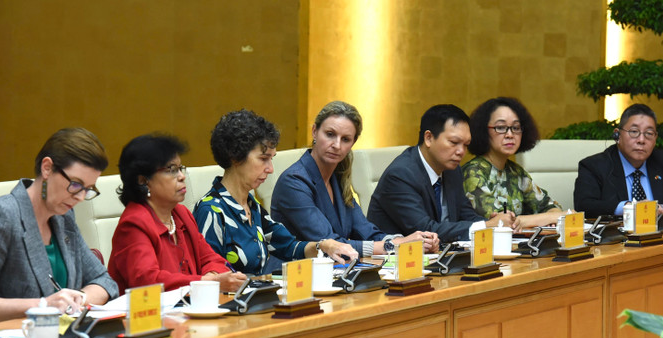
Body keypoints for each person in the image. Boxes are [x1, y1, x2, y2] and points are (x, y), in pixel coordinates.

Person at [0, 128, 119, 326]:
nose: (80, 197)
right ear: (47, 168)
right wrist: (42, 305)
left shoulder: (63, 218)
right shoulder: (3, 215)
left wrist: (76, 300)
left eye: (88, 190)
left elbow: (104, 281)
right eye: (75, 184)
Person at [193, 110, 359, 275]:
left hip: (259, 297)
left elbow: (289, 247)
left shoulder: (252, 206)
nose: (271, 169)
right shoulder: (211, 211)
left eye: (271, 159)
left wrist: (322, 246)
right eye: (264, 159)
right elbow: (211, 275)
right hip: (233, 300)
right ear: (235, 157)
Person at [271, 101, 440, 257]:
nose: (337, 145)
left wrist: (412, 241)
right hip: (295, 277)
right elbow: (332, 244)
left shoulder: (338, 178)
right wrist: (394, 246)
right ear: (315, 131)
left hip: (338, 273)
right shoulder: (293, 181)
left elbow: (368, 232)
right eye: (330, 134)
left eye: (345, 139)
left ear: (353, 143)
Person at [108, 134, 247, 295]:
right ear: (143, 181)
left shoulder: (181, 215)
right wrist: (207, 283)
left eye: (181, 169)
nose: (182, 176)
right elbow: (147, 282)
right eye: (172, 170)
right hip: (148, 317)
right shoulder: (133, 224)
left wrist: (211, 280)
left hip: (187, 312)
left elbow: (213, 259)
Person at [368, 104, 512, 243]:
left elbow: (466, 215)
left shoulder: (452, 170)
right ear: (429, 138)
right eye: (454, 142)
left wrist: (497, 224)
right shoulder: (400, 175)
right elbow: (426, 230)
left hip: (441, 257)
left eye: (466, 145)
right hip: (397, 261)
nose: (461, 151)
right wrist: (487, 226)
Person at [574, 103, 663, 218]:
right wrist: (628, 207)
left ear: (655, 139)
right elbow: (584, 206)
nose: (641, 140)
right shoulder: (594, 166)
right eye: (634, 132)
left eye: (649, 133)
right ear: (617, 136)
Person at [463, 97, 563, 231]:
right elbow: (501, 223)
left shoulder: (516, 172)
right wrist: (543, 219)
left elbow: (553, 208)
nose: (510, 134)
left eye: (515, 127)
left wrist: (548, 217)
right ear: (483, 131)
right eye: (500, 127)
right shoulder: (474, 172)